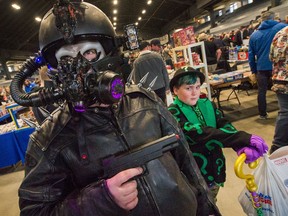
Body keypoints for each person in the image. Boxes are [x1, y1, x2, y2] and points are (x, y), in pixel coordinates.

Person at [12, 1, 221, 215]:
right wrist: (99, 200)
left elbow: (186, 163)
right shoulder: (48, 139)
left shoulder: (145, 100)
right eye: (66, 58)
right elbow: (35, 211)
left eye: (90, 52)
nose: (80, 67)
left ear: (109, 53)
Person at [168, 67, 268, 201]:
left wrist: (239, 146)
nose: (194, 93)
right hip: (194, 175)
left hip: (215, 168)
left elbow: (223, 124)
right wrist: (242, 138)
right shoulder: (172, 113)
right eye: (188, 88)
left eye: (197, 87)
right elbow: (200, 133)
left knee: (213, 199)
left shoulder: (208, 104)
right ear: (175, 90)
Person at [248, 10, 286, 119]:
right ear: (274, 18)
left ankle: (262, 114)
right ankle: (284, 112)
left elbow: (251, 56)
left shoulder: (254, 35)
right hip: (278, 66)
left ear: (261, 20)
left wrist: (253, 70)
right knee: (282, 89)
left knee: (261, 91)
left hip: (261, 67)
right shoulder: (282, 28)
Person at [269, 26, 288, 154]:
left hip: (279, 78)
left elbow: (271, 57)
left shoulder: (279, 33)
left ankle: (277, 146)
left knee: (284, 112)